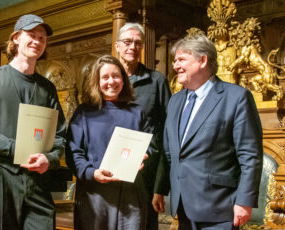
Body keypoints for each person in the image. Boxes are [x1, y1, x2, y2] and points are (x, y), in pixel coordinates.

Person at [0, 14, 66, 230]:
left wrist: (49, 159)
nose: (37, 42)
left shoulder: (47, 88)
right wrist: (15, 148)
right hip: (2, 175)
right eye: (31, 35)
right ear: (16, 38)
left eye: (42, 38)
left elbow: (60, 136)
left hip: (38, 178)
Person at [163, 34, 263, 230]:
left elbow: (250, 155)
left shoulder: (236, 97)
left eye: (181, 59)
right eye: (175, 60)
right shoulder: (175, 101)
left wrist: (244, 201)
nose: (175, 66)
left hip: (220, 209)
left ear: (203, 60)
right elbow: (171, 152)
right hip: (183, 207)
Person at [66, 55, 151, 230]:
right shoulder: (84, 113)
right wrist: (91, 172)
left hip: (130, 195)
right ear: (96, 81)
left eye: (116, 76)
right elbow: (73, 152)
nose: (111, 81)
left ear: (123, 79)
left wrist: (144, 156)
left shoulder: (137, 112)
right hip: (94, 196)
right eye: (105, 77)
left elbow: (149, 145)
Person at [115, 23, 171, 228]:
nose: (132, 47)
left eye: (138, 43)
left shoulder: (157, 81)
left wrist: (161, 185)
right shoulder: (107, 80)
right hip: (111, 170)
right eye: (127, 42)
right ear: (117, 46)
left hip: (145, 172)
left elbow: (168, 132)